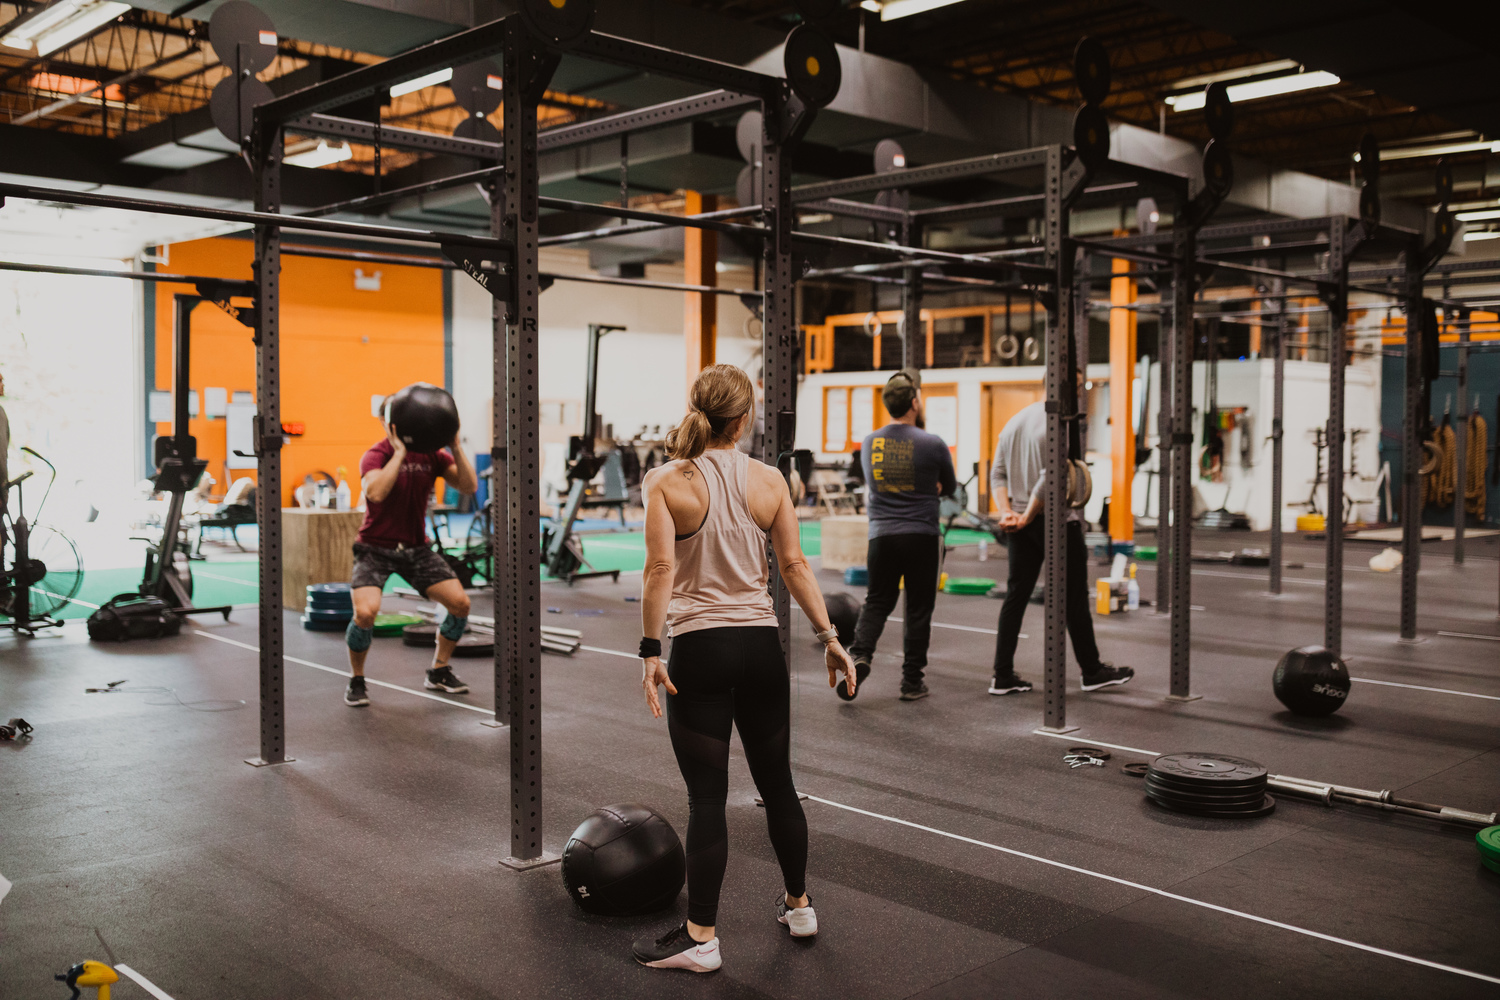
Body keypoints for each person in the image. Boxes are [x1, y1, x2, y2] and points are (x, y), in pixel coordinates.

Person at [634, 364, 856, 974]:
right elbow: (795, 566)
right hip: (761, 649)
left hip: (700, 650)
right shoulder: (769, 480)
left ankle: (702, 939)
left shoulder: (666, 480)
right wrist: (831, 638)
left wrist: (650, 651)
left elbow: (660, 570)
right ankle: (800, 906)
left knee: (708, 797)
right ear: (746, 418)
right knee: (777, 784)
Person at [988, 400, 1133, 695]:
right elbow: (1051, 474)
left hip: (1020, 525)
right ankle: (1091, 671)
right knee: (1074, 597)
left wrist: (1008, 513)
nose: (1079, 393)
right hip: (1055, 522)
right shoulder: (1057, 423)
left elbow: (997, 474)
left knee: (1016, 595)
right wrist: (1027, 515)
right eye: (1076, 386)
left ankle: (1002, 675)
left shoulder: (1013, 422)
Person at [344, 417, 478, 707]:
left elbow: (468, 486)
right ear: (388, 424)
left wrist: (455, 446)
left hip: (416, 548)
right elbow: (375, 492)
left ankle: (439, 671)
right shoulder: (376, 454)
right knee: (365, 613)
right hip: (375, 547)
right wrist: (400, 454)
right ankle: (357, 679)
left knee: (460, 604)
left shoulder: (432, 455)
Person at [841, 368, 956, 702]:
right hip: (922, 535)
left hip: (882, 536)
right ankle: (912, 682)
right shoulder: (933, 443)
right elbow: (949, 486)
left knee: (877, 600)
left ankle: (859, 655)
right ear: (914, 403)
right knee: (918, 609)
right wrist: (930, 485)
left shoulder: (869, 442)